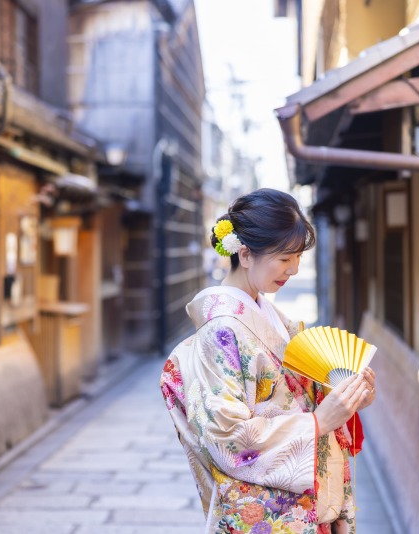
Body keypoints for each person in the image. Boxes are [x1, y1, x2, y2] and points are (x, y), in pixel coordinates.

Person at [160, 188, 376, 534]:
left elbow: (299, 396)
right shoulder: (221, 331)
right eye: (285, 257)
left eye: (298, 257)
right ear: (244, 254)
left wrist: (346, 397)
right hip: (273, 512)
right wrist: (317, 422)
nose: (294, 268)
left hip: (307, 500)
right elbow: (227, 434)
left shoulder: (271, 316)